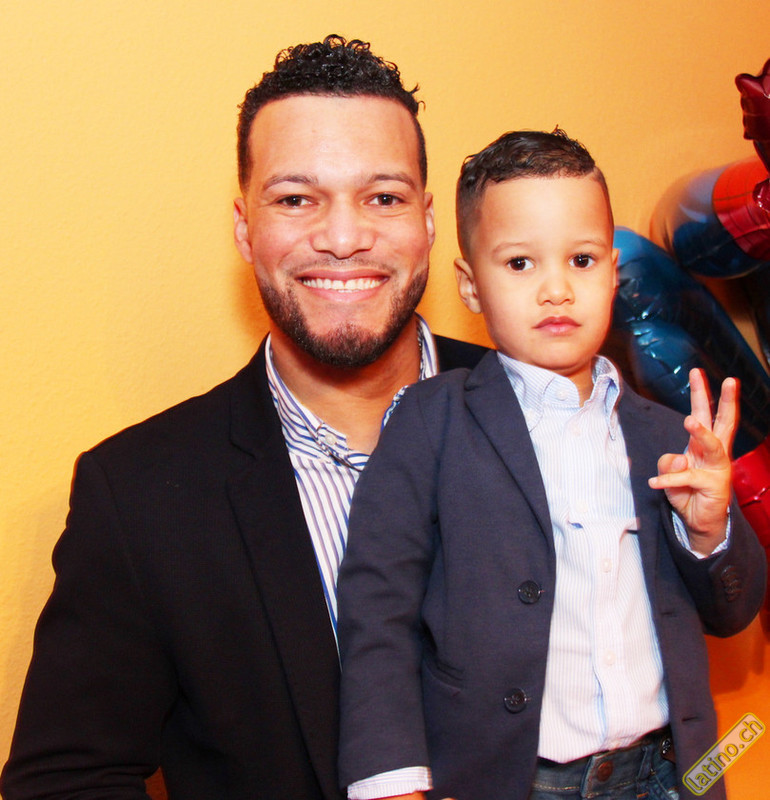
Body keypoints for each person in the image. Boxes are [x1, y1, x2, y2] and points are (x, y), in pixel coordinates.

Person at [0, 35, 485, 800]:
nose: (343, 237)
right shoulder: (138, 497)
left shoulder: (559, 408)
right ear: (243, 229)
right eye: (296, 199)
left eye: (383, 197)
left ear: (428, 221)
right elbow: (64, 782)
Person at [337, 130, 766, 800]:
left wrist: (710, 530)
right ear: (470, 286)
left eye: (582, 260)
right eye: (520, 263)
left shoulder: (665, 432)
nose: (557, 290)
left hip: (668, 774)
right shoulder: (430, 420)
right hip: (516, 780)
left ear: (614, 274)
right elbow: (377, 608)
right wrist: (392, 780)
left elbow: (732, 614)